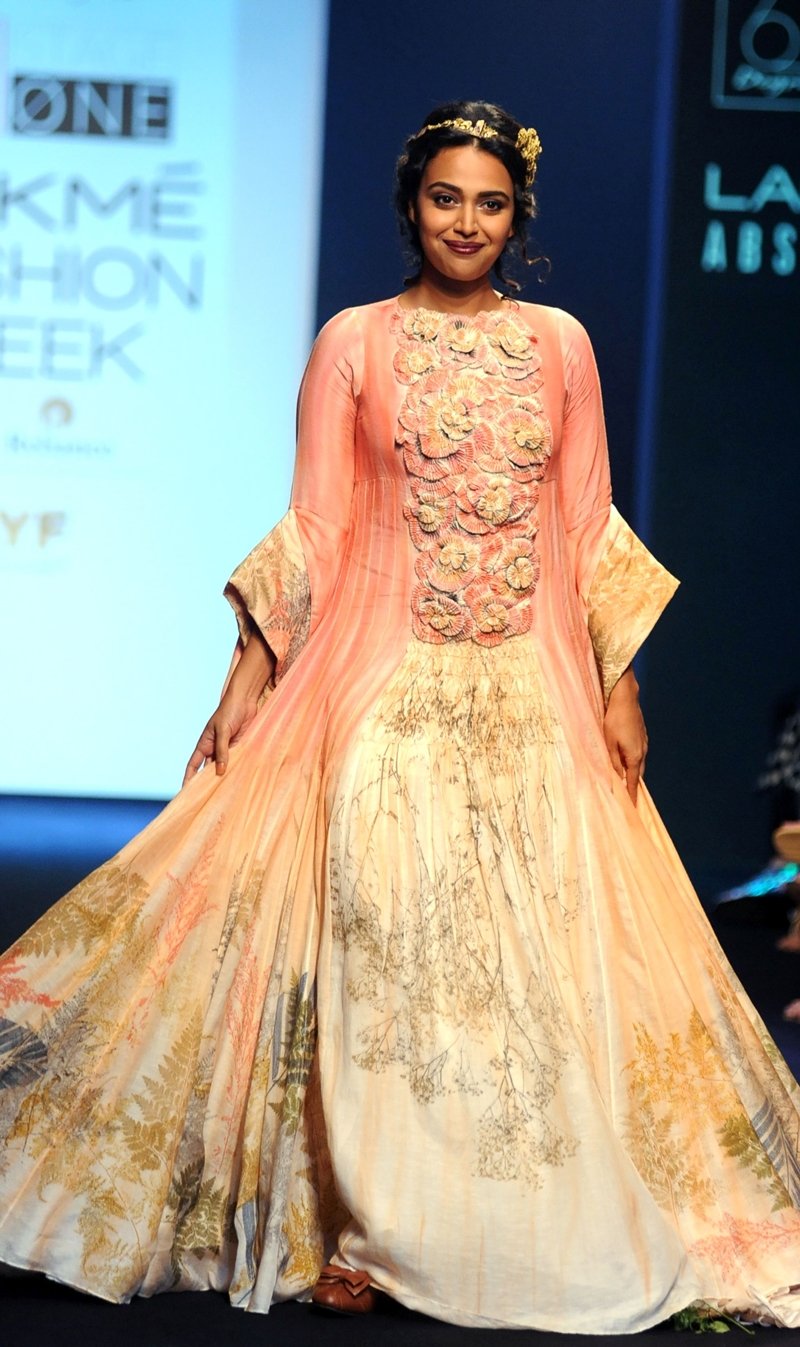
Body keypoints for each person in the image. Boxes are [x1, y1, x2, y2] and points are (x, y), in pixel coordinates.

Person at [2, 100, 800, 1333]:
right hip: (387, 693)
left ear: (515, 215)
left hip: (530, 699)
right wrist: (248, 671)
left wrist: (619, 680)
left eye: (487, 202)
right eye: (443, 199)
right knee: (381, 953)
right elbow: (316, 520)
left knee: (517, 976)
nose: (464, 222)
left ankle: (483, 1216)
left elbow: (584, 521)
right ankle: (363, 1229)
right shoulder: (352, 345)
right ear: (408, 208)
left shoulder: (560, 346)